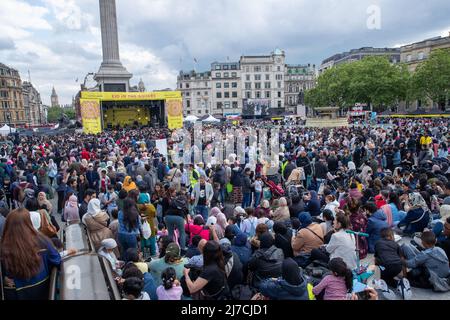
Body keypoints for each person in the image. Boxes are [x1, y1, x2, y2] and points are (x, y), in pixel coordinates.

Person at [0, 208, 61, 300]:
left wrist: (5, 279)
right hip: (42, 288)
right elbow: (57, 260)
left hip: (14, 292)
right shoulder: (43, 241)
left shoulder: (3, 246)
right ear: (29, 222)